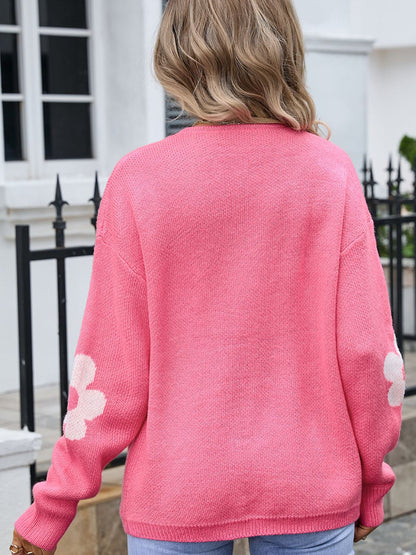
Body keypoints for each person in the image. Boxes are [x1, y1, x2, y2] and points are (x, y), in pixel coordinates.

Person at [11, 0, 405, 553]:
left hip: (176, 492)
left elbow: (110, 373)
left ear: (178, 54)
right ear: (283, 47)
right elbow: (368, 355)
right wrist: (372, 482)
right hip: (310, 486)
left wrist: (53, 507)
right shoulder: (329, 174)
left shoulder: (139, 182)